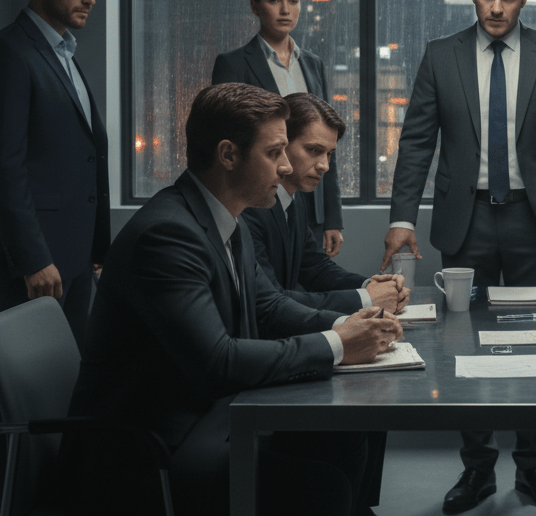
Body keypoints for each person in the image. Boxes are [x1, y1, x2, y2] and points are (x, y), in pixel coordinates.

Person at [64, 83, 402, 516]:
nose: (285, 168)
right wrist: (338, 346)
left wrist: (348, 328)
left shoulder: (229, 219)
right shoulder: (166, 235)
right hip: (151, 453)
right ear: (228, 155)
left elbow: (268, 306)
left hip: (208, 419)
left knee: (345, 432)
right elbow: (218, 362)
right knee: (323, 487)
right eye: (274, 152)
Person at [383, 0, 536, 514]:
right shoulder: (439, 56)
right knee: (461, 345)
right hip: (465, 219)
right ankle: (477, 470)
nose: (496, 7)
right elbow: (416, 143)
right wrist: (402, 217)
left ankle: (532, 469)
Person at [0, 0, 110, 515]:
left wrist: (97, 248)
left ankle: (54, 502)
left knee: (65, 389)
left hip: (73, 259)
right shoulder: (7, 53)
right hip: (35, 264)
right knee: (16, 397)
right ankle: (13, 507)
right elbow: (3, 168)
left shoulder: (63, 53)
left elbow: (80, 162)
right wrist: (32, 258)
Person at [213, 0, 346, 257]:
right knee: (270, 285)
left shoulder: (314, 64)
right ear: (255, 6)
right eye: (274, 0)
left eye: (294, 0)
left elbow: (326, 142)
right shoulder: (233, 65)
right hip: (261, 200)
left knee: (309, 276)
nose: (285, 10)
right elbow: (227, 145)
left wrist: (332, 219)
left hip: (311, 204)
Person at [245, 92, 408, 316]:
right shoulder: (249, 206)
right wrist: (366, 299)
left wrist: (371, 286)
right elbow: (270, 300)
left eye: (329, 154)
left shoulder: (295, 199)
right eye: (313, 150)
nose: (324, 166)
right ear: (282, 144)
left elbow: (315, 269)